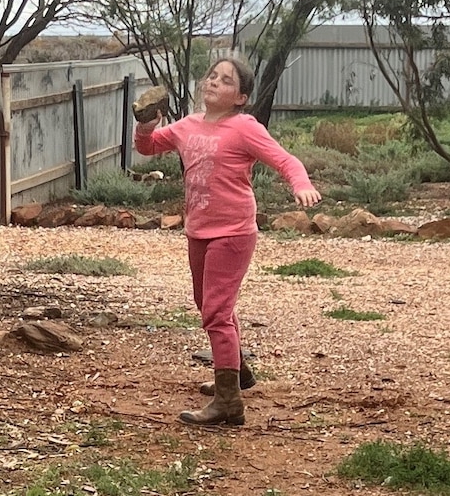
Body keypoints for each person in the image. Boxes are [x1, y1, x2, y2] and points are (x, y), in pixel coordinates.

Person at [134, 57, 321, 426]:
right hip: (198, 230)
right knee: (208, 303)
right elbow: (149, 148)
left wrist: (301, 184)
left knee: (216, 313)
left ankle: (229, 402)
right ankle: (238, 373)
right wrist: (146, 124)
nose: (214, 82)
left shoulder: (244, 128)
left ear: (241, 97)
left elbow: (285, 161)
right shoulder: (187, 126)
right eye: (212, 76)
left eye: (226, 80)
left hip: (234, 232)